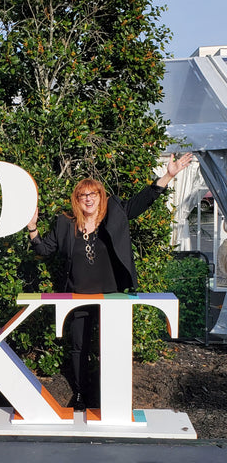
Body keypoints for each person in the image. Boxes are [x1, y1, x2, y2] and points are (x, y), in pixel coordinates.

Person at [27, 153, 193, 411]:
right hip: (79, 297)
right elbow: (43, 250)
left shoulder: (114, 213)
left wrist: (169, 175)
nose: (89, 199)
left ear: (101, 197)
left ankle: (110, 395)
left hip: (111, 296)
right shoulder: (64, 224)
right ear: (77, 200)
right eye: (83, 195)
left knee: (111, 346)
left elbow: (143, 200)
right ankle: (81, 393)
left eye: (93, 194)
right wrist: (32, 228)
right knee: (79, 346)